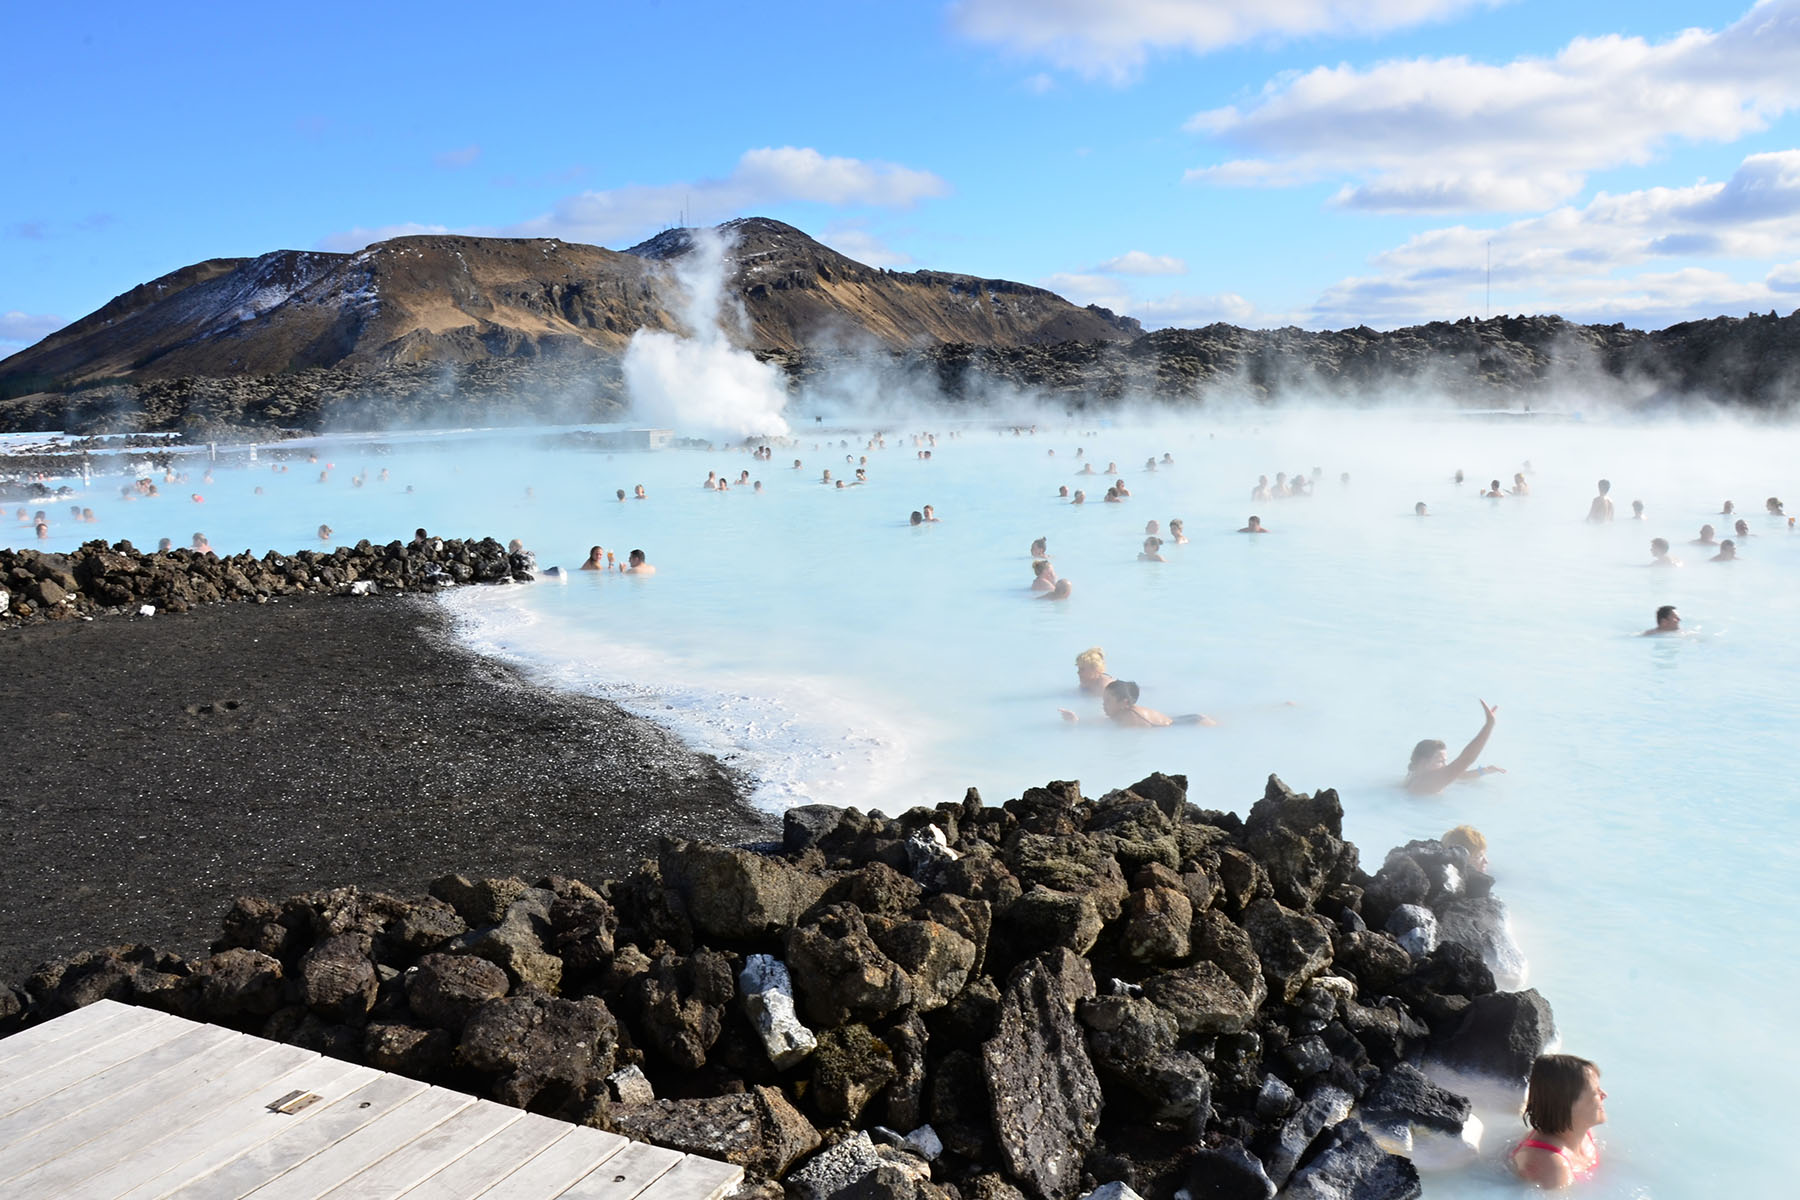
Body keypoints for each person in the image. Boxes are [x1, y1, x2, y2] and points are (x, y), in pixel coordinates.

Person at [1509, 1054, 1605, 1189]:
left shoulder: (1585, 1133)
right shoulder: (1552, 1166)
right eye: (1596, 1092)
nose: (1604, 1095)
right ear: (1569, 1104)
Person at [1405, 699, 1505, 795]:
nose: (1445, 764)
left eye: (1445, 761)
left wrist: (1482, 771)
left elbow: (1458, 774)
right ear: (1424, 762)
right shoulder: (1426, 783)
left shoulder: (1415, 774)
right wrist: (1489, 725)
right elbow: (1465, 760)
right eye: (1440, 761)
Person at [1060, 679, 1216, 726]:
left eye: (1108, 701)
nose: (1103, 704)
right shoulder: (1123, 712)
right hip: (1186, 719)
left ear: (1124, 703)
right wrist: (1077, 720)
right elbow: (1107, 722)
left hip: (1196, 723)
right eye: (1103, 699)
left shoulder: (1132, 718)